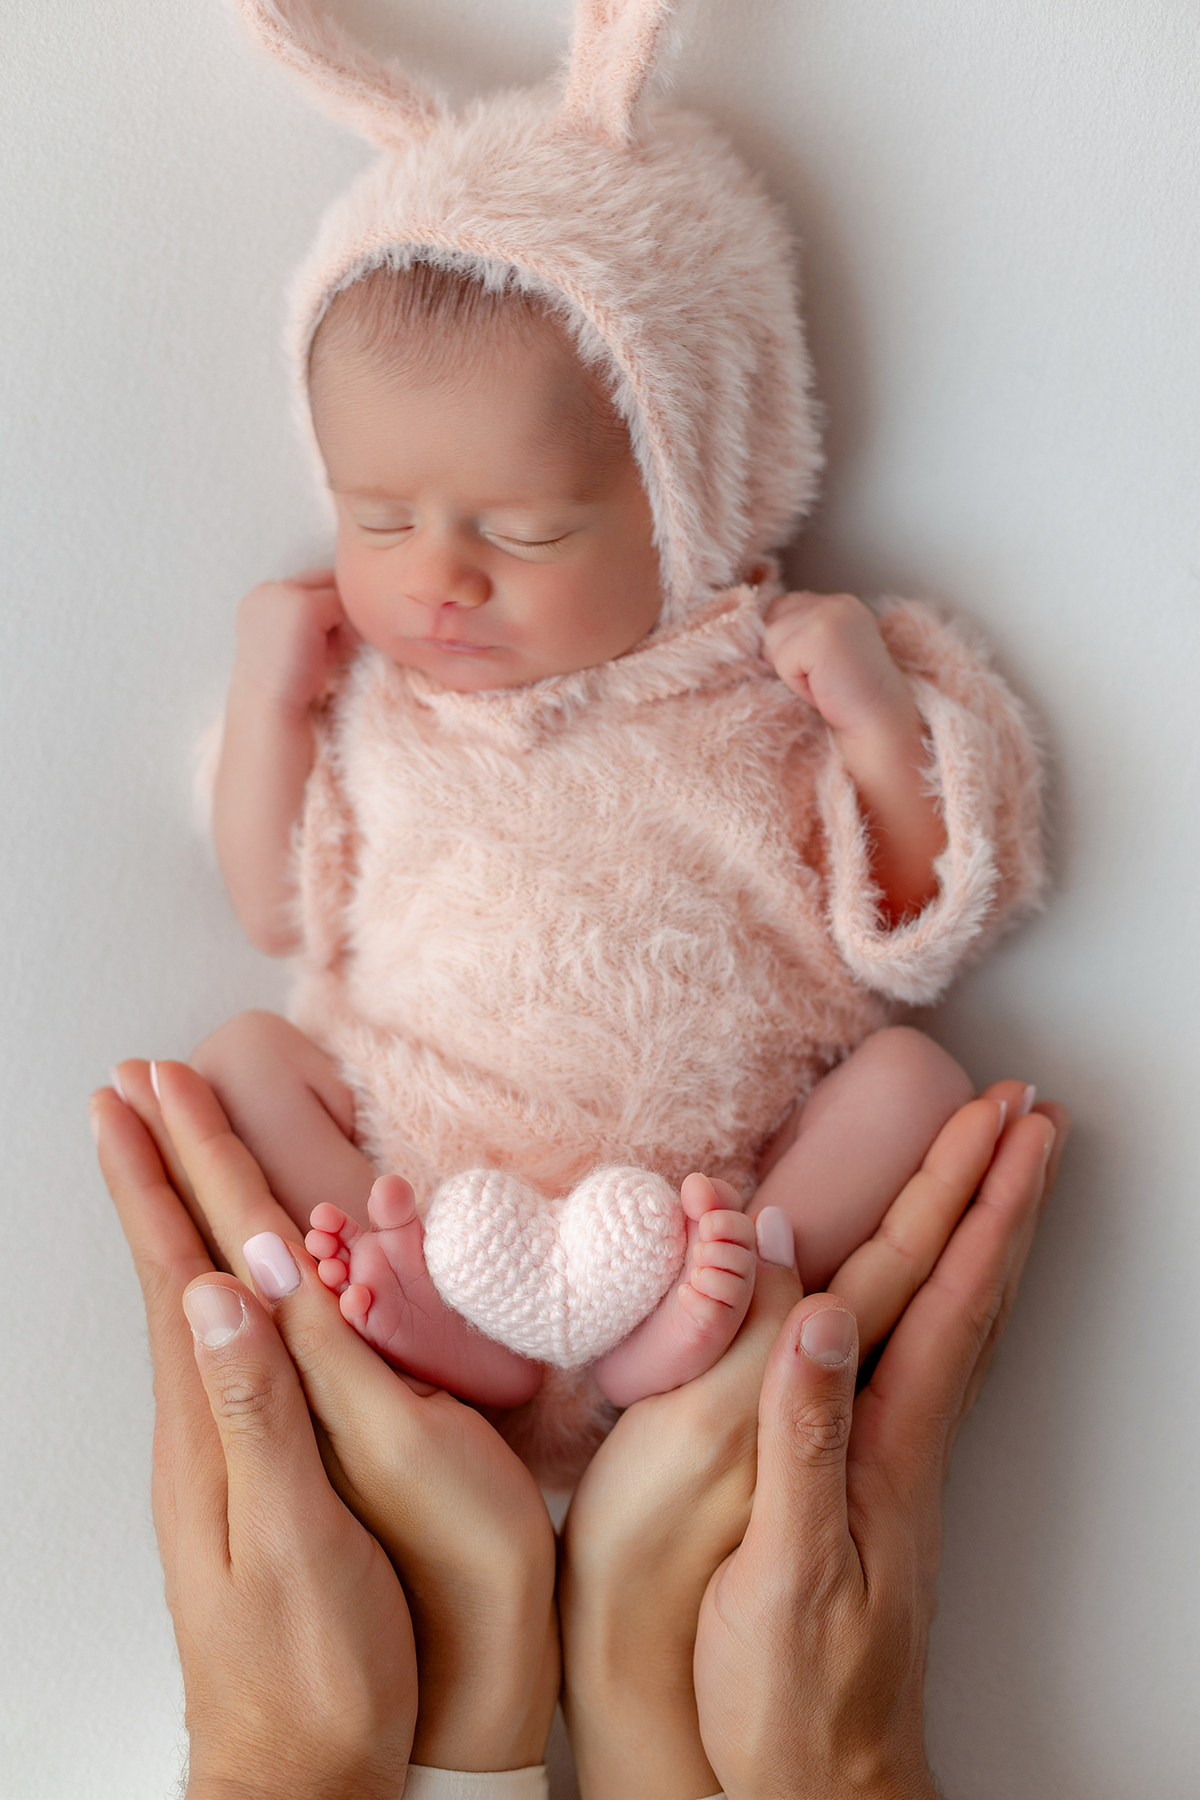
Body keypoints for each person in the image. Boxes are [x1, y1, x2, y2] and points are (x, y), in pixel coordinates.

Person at [187, 0, 1044, 1484]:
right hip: (427, 1165)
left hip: (712, 1184)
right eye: (379, 521)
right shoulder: (383, 706)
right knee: (246, 1059)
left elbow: (916, 920)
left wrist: (870, 714)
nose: (439, 579)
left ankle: (709, 1312)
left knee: (911, 1085)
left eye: (522, 532)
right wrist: (270, 701)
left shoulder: (767, 681)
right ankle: (456, 1324)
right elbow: (277, 906)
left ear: (689, 484)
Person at [94, 1057, 1065, 1796]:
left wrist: (291, 1771)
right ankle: (604, 1330)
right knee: (911, 1087)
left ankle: (507, 1324)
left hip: (493, 1232)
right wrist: (805, 1765)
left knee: (912, 1084)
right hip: (639, 1239)